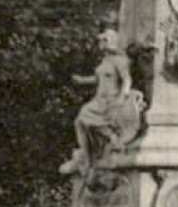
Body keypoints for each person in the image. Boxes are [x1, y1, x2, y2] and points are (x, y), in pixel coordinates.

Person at [61, 29, 144, 175]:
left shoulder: (120, 60)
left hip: (111, 100)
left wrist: (122, 97)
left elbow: (126, 79)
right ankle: (87, 155)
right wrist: (82, 80)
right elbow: (98, 79)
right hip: (99, 100)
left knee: (84, 119)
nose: (101, 44)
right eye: (101, 41)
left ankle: (107, 142)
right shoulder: (106, 60)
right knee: (81, 121)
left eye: (104, 41)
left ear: (111, 42)